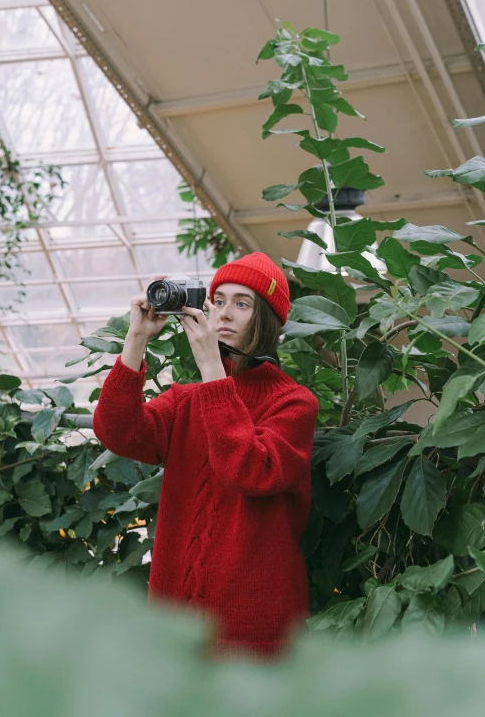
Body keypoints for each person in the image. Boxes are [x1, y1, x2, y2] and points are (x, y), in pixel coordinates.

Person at [92, 252, 319, 663]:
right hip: (173, 631)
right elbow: (117, 432)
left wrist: (213, 372)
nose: (225, 313)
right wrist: (136, 339)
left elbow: (250, 472)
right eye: (219, 300)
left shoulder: (294, 404)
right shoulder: (185, 400)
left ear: (265, 319)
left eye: (242, 303)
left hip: (255, 633)